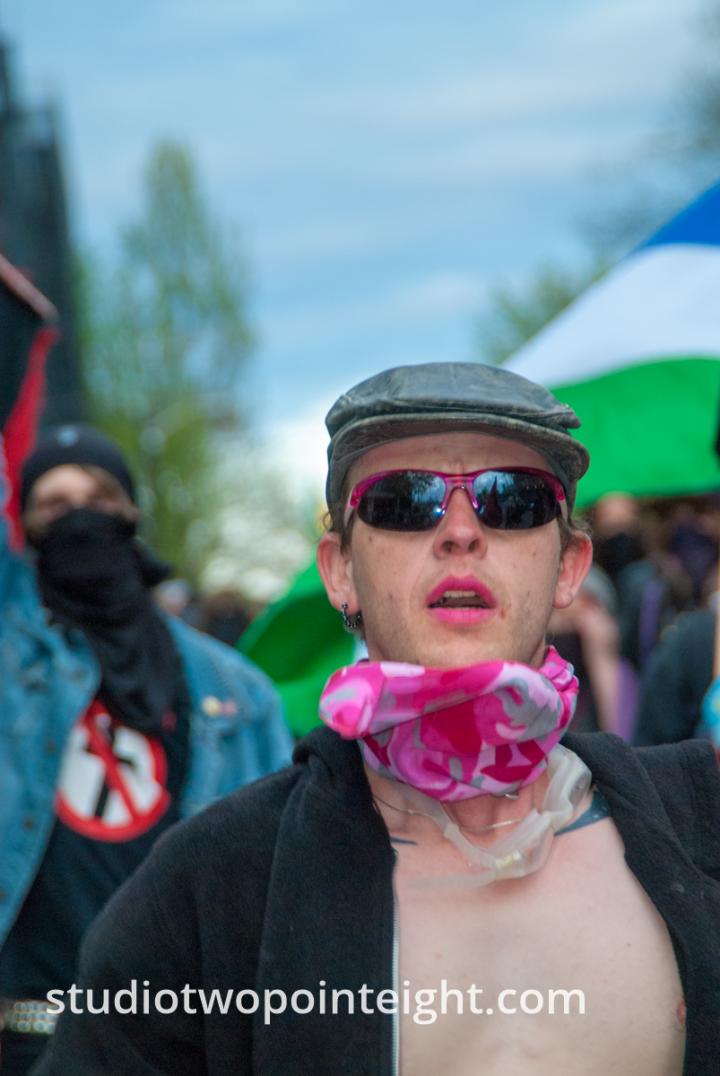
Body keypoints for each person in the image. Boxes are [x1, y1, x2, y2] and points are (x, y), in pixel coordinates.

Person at [35, 363, 720, 1076]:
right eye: (403, 501)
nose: (460, 532)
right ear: (339, 571)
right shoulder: (213, 887)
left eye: (512, 501)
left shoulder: (700, 824)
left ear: (571, 566)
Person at [0, 422, 293, 1075]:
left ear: (132, 512)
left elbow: (281, 881)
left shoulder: (236, 692)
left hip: (181, 1038)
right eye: (52, 503)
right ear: (24, 528)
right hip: (26, 1038)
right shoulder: (10, 658)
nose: (78, 515)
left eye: (99, 496)